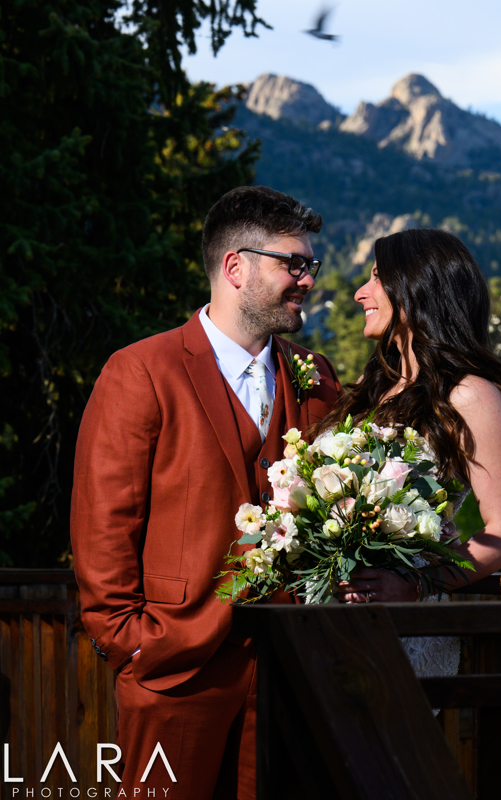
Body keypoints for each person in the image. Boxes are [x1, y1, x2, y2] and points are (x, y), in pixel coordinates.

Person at [70, 186, 341, 799]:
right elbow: (104, 524)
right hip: (174, 668)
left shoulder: (317, 377)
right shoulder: (142, 370)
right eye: (293, 264)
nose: (307, 280)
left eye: (311, 265)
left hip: (290, 675)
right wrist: (131, 642)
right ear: (234, 267)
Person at [321, 228, 501, 614]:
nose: (359, 293)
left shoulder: (470, 395)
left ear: (416, 286)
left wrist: (417, 583)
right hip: (333, 618)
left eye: (376, 277)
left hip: (406, 623)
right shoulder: (374, 387)